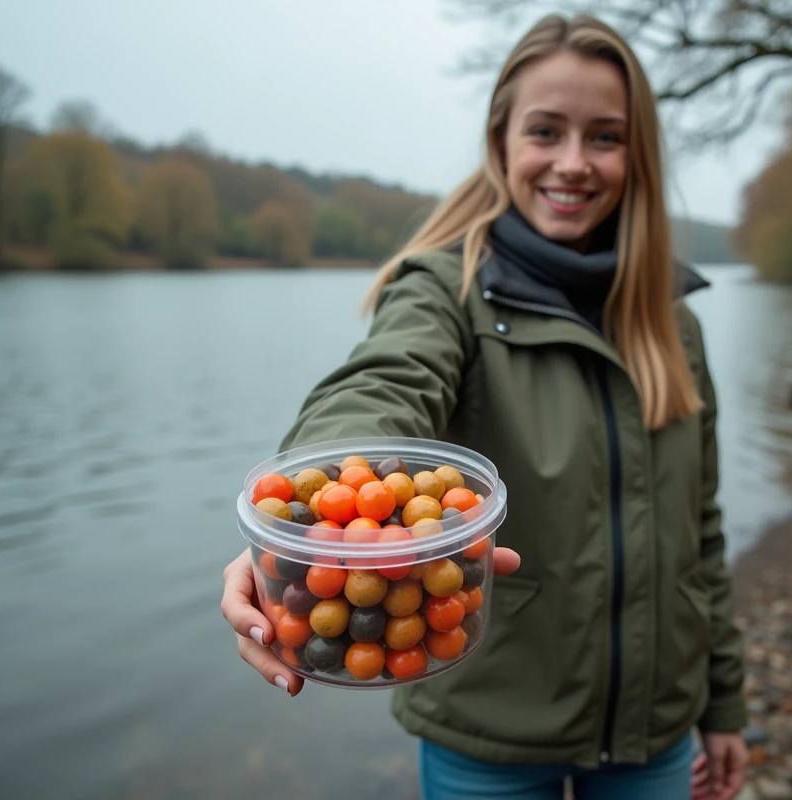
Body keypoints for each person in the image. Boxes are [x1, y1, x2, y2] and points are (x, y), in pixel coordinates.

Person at [221, 13, 748, 800]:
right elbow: (382, 384)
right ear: (501, 139)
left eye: (604, 137)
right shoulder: (444, 292)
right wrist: (309, 520)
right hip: (488, 732)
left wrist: (724, 700)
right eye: (546, 131)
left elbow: (700, 533)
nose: (573, 163)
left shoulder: (677, 326)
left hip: (656, 726)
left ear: (636, 155)